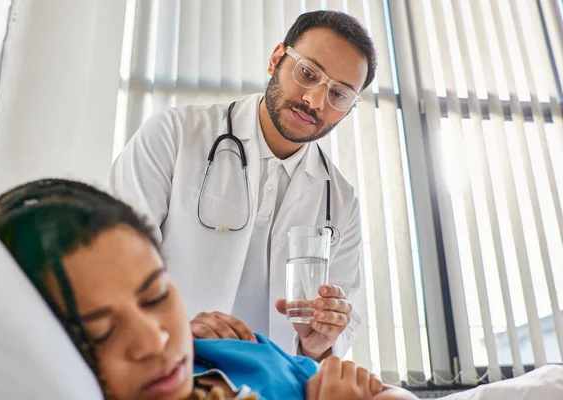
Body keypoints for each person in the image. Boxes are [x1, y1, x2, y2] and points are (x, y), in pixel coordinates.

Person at [0, 179, 417, 400]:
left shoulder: (238, 348)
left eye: (154, 297)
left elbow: (388, 394)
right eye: (99, 331)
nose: (156, 340)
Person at [108, 10, 377, 360]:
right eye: (308, 73)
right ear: (276, 59)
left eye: (339, 95)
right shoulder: (175, 135)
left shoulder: (340, 201)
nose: (315, 101)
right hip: (163, 365)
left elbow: (335, 335)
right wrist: (177, 329)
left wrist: (318, 341)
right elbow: (115, 262)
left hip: (267, 386)